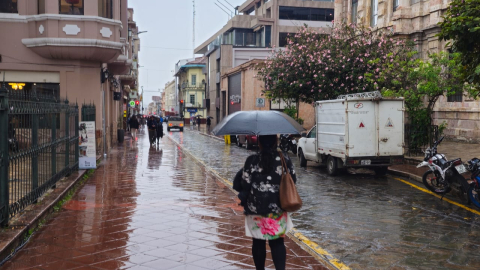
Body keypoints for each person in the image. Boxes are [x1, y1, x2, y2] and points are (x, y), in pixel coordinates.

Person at [235, 135, 297, 270]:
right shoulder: (284, 159)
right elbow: (293, 179)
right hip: (277, 207)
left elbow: (245, 184)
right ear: (275, 142)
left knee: (258, 242)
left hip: (255, 208)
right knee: (278, 243)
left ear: (260, 143)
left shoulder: (251, 160)